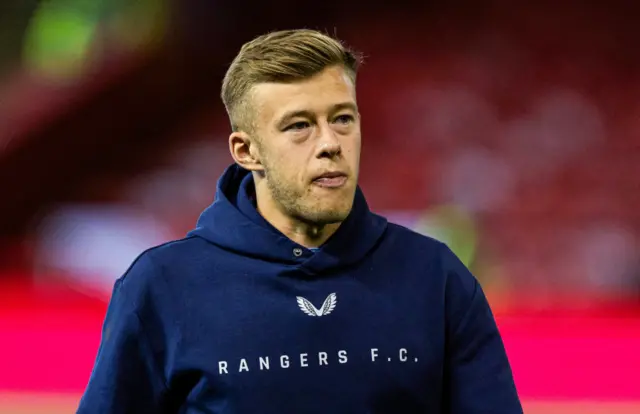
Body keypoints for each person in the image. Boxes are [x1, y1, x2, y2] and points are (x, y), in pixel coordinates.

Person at [77, 29, 523, 413]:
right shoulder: (161, 288)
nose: (330, 143)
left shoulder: (437, 278)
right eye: (299, 125)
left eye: (343, 119)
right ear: (246, 151)